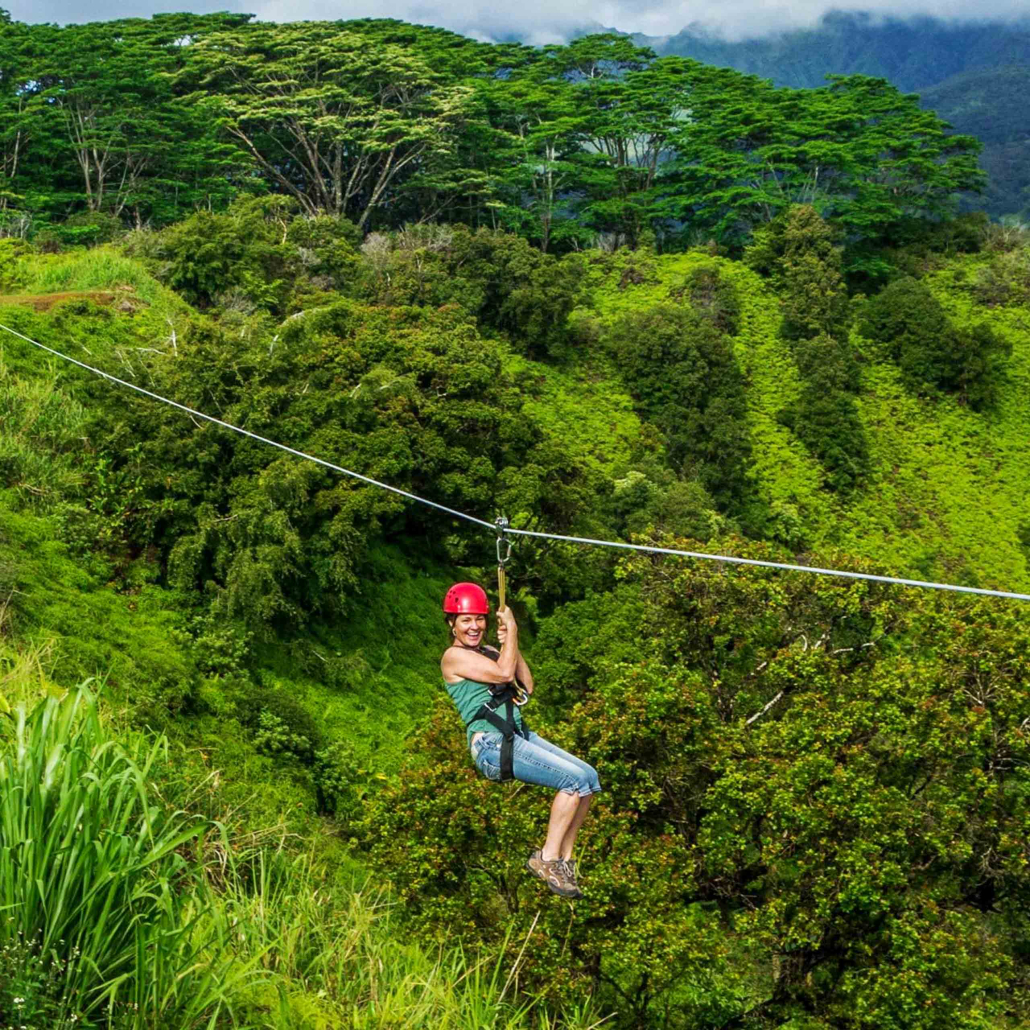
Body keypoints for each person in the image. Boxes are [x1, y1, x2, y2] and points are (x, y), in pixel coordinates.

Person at [440, 582, 601, 899]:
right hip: (490, 745)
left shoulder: (488, 652)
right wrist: (511, 629)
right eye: (466, 620)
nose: (474, 627)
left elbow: (526, 684)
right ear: (452, 624)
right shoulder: (453, 657)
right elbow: (502, 676)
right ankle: (547, 859)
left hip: (515, 735)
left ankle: (564, 860)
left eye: (479, 619)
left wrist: (512, 643)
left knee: (590, 779)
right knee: (572, 781)